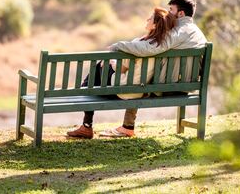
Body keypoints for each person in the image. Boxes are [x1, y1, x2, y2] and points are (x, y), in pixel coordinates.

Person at [101, 0, 207, 138]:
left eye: (171, 10)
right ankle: (127, 126)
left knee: (142, 73)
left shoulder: (179, 32)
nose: (168, 13)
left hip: (167, 86)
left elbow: (151, 48)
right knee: (143, 71)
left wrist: (119, 45)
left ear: (180, 13)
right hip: (188, 85)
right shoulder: (197, 33)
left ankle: (124, 126)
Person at [67, 7, 177, 139]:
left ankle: (86, 124)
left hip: (124, 89)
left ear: (154, 25)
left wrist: (112, 63)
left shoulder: (139, 45)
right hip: (140, 90)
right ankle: (88, 120)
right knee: (99, 72)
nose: (147, 19)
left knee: (97, 70)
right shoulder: (162, 46)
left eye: (150, 18)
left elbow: (123, 68)